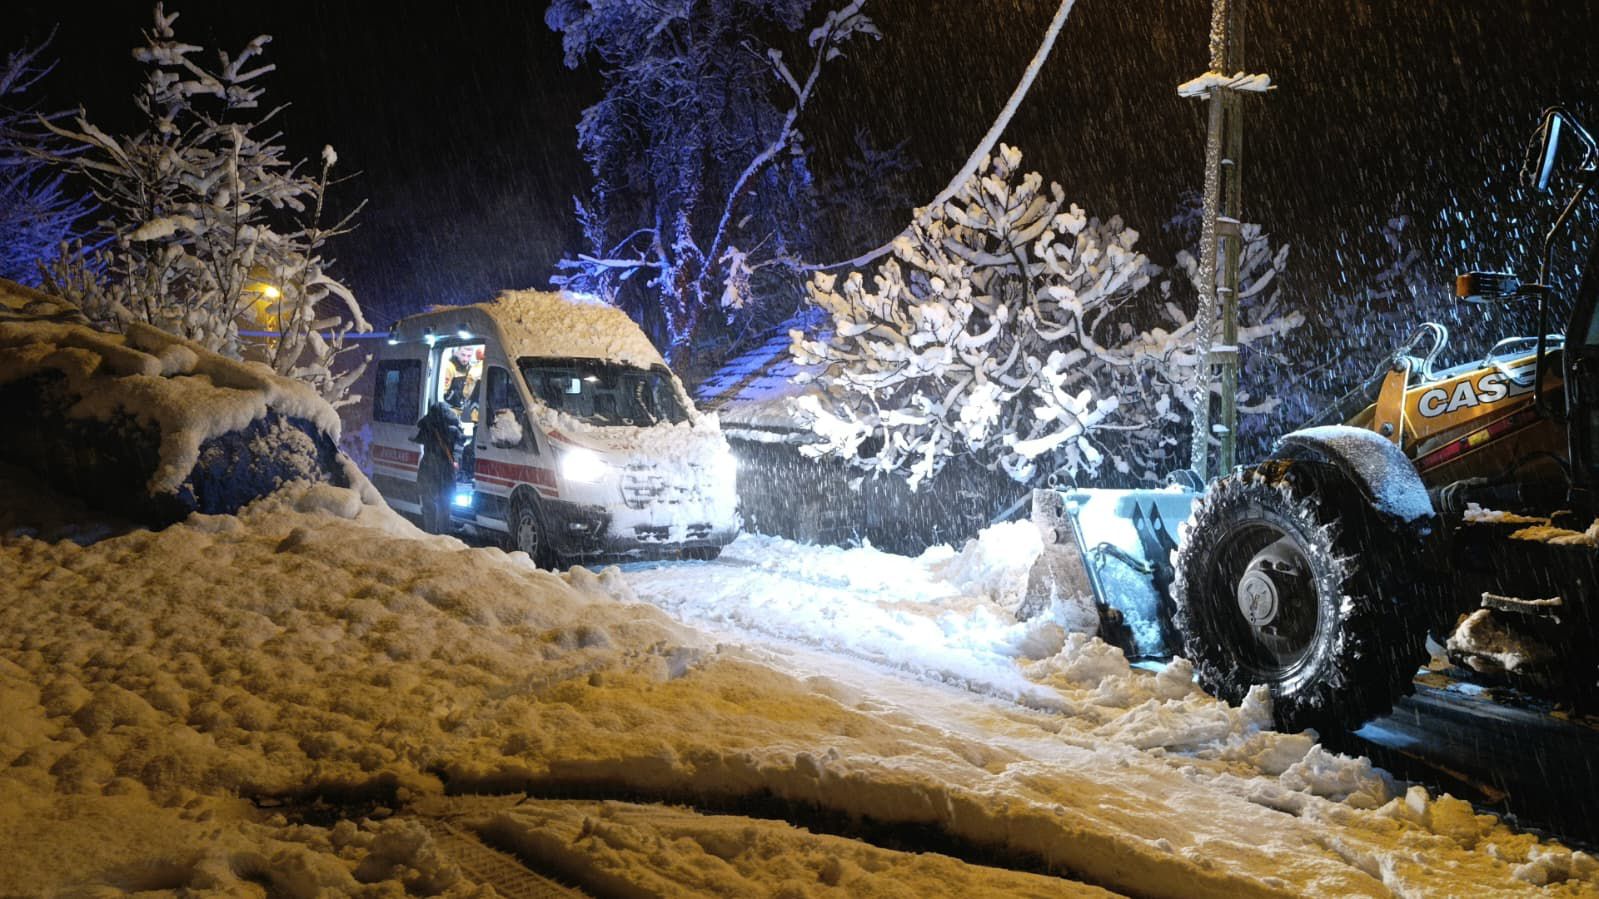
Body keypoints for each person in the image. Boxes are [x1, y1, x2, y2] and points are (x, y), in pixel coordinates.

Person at [411, 402, 462, 533]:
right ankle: (444, 536)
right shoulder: (453, 428)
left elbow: (415, 438)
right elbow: (461, 442)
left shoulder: (427, 426)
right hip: (447, 472)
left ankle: (430, 534)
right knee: (445, 507)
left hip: (429, 470)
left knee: (429, 506)